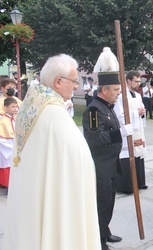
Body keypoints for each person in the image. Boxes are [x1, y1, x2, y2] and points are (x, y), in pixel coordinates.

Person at [2, 54, 100, 250]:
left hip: (31, 194)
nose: (76, 86)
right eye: (73, 81)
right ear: (58, 81)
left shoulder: (31, 104)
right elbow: (75, 160)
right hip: (54, 197)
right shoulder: (54, 113)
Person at [82, 47, 133, 250]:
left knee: (109, 203)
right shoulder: (94, 109)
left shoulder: (108, 108)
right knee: (102, 205)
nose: (118, 95)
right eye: (116, 91)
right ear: (104, 90)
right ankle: (98, 241)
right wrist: (120, 133)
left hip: (111, 165)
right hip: (101, 167)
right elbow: (94, 139)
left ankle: (105, 231)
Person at [114, 70, 148, 191]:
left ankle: (139, 182)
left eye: (140, 81)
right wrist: (135, 113)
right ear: (128, 81)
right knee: (129, 156)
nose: (139, 83)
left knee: (138, 154)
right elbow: (119, 115)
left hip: (138, 131)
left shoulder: (138, 95)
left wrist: (142, 112)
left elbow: (141, 109)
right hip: (128, 131)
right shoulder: (121, 96)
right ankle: (128, 186)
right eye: (136, 81)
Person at [0, 98, 18, 188]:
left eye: (16, 106)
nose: (15, 109)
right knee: (8, 164)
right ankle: (7, 185)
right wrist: (11, 148)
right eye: (13, 107)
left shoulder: (17, 119)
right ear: (6, 107)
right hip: (7, 147)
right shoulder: (2, 121)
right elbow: (1, 139)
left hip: (16, 145)